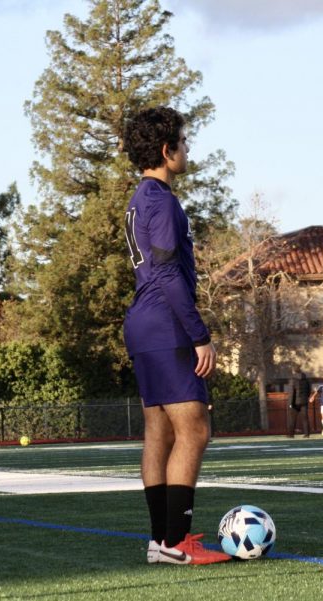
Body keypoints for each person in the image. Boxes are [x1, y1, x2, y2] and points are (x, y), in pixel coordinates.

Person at [122, 107, 230, 565]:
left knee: (158, 431)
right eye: (183, 143)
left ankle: (160, 540)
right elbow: (167, 272)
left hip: (142, 323)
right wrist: (199, 333)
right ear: (167, 151)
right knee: (195, 429)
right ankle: (177, 542)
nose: (187, 150)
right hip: (166, 323)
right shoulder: (162, 200)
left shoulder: (138, 197)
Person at [287, 368, 311, 438]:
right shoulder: (306, 380)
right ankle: (307, 434)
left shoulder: (292, 380)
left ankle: (291, 434)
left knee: (292, 419)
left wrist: (290, 403)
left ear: (294, 371)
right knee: (305, 418)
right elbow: (309, 391)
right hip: (304, 402)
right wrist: (306, 398)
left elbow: (291, 393)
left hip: (295, 402)